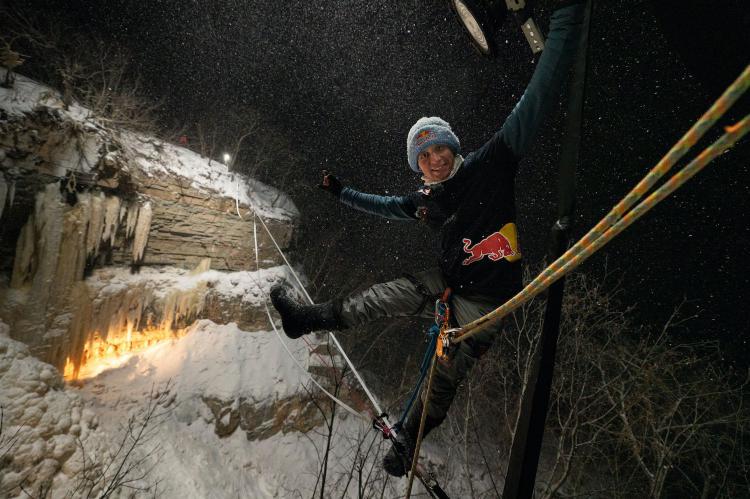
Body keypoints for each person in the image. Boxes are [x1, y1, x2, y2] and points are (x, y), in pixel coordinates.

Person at [271, 1, 585, 477]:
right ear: (417, 165)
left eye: (440, 149)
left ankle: (408, 443)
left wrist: (564, 19)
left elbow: (537, 96)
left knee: (443, 377)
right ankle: (307, 319)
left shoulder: (491, 163)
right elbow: (381, 205)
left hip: (488, 298)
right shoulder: (427, 200)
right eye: (424, 155)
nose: (434, 160)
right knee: (381, 296)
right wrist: (340, 193)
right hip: (448, 281)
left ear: (454, 149)